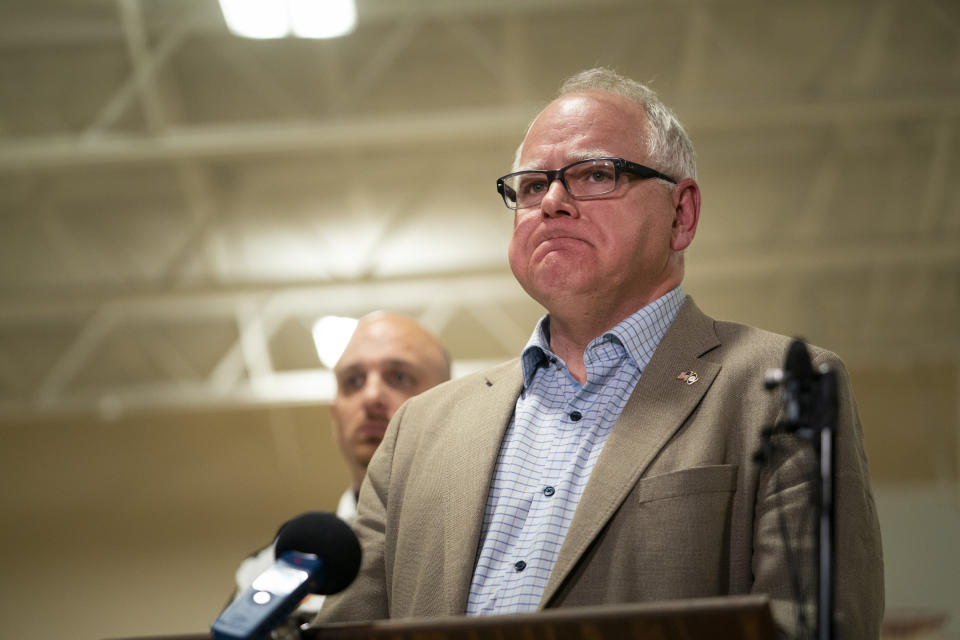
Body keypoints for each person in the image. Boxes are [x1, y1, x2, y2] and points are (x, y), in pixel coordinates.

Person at [315, 68, 884, 638]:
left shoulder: (779, 386)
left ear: (681, 215)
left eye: (595, 174)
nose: (552, 202)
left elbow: (814, 624)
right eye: (533, 186)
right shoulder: (419, 429)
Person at [233, 311, 451, 610]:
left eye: (399, 377)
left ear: (450, 403)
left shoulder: (496, 545)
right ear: (335, 415)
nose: (372, 396)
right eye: (353, 381)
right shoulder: (267, 571)